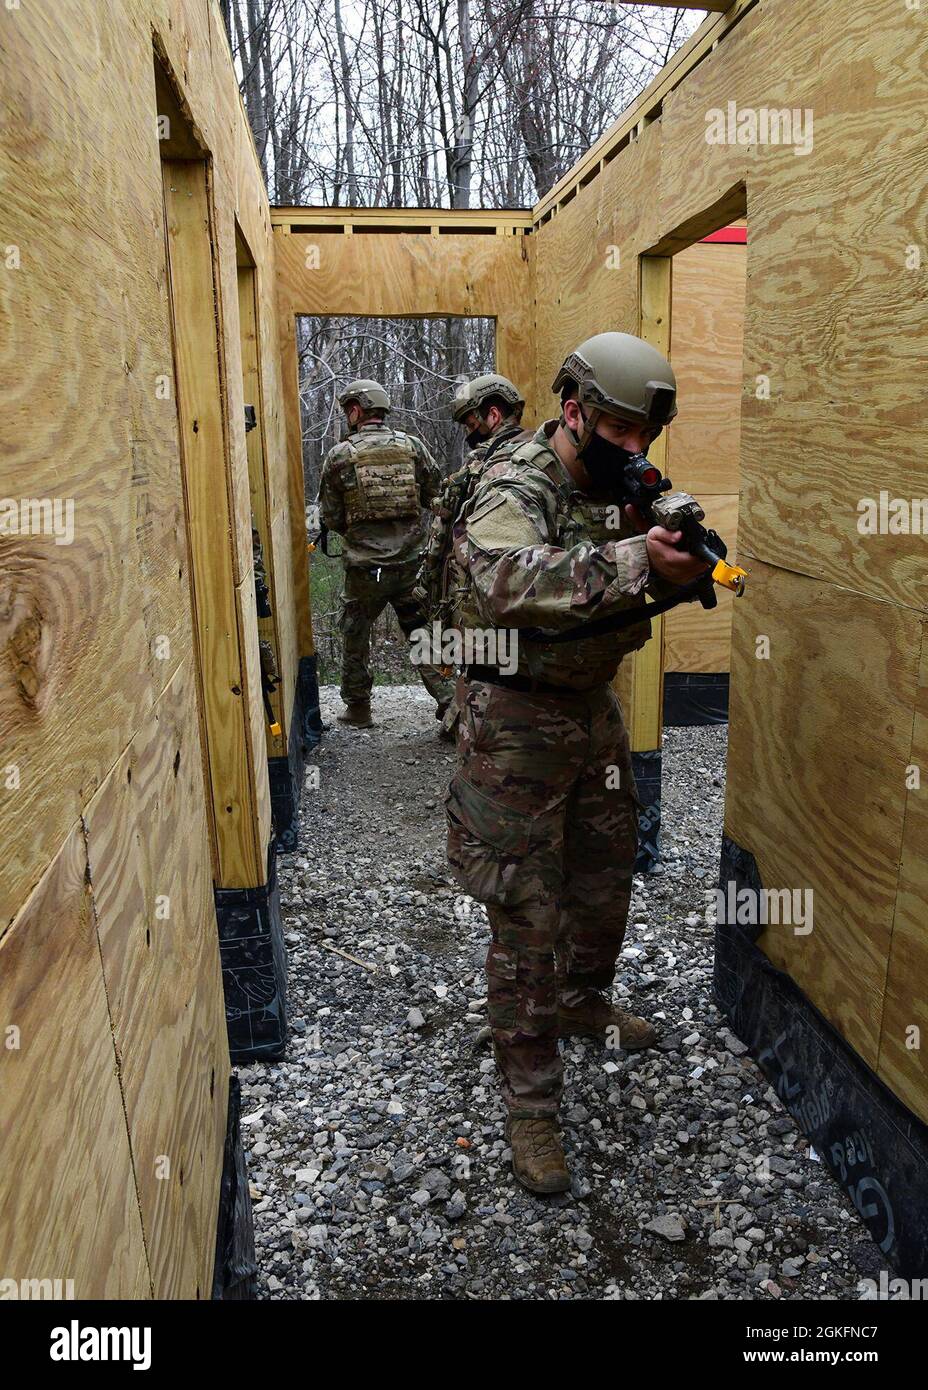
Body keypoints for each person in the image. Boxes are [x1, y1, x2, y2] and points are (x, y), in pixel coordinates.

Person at [444, 332, 710, 1193]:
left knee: (604, 873)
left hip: (590, 712)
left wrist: (670, 559)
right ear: (574, 414)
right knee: (528, 910)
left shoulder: (617, 485)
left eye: (647, 436)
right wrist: (635, 560)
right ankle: (531, 1106)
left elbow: (619, 580)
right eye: (622, 432)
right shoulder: (516, 481)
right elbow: (502, 580)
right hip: (514, 720)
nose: (637, 449)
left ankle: (582, 1001)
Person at [317, 379, 454, 728]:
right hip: (410, 566)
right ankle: (451, 704)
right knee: (421, 633)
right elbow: (437, 497)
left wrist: (361, 534)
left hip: (365, 571)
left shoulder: (340, 456)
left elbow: (331, 516)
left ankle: (359, 708)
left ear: (355, 411)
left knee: (355, 635)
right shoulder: (412, 447)